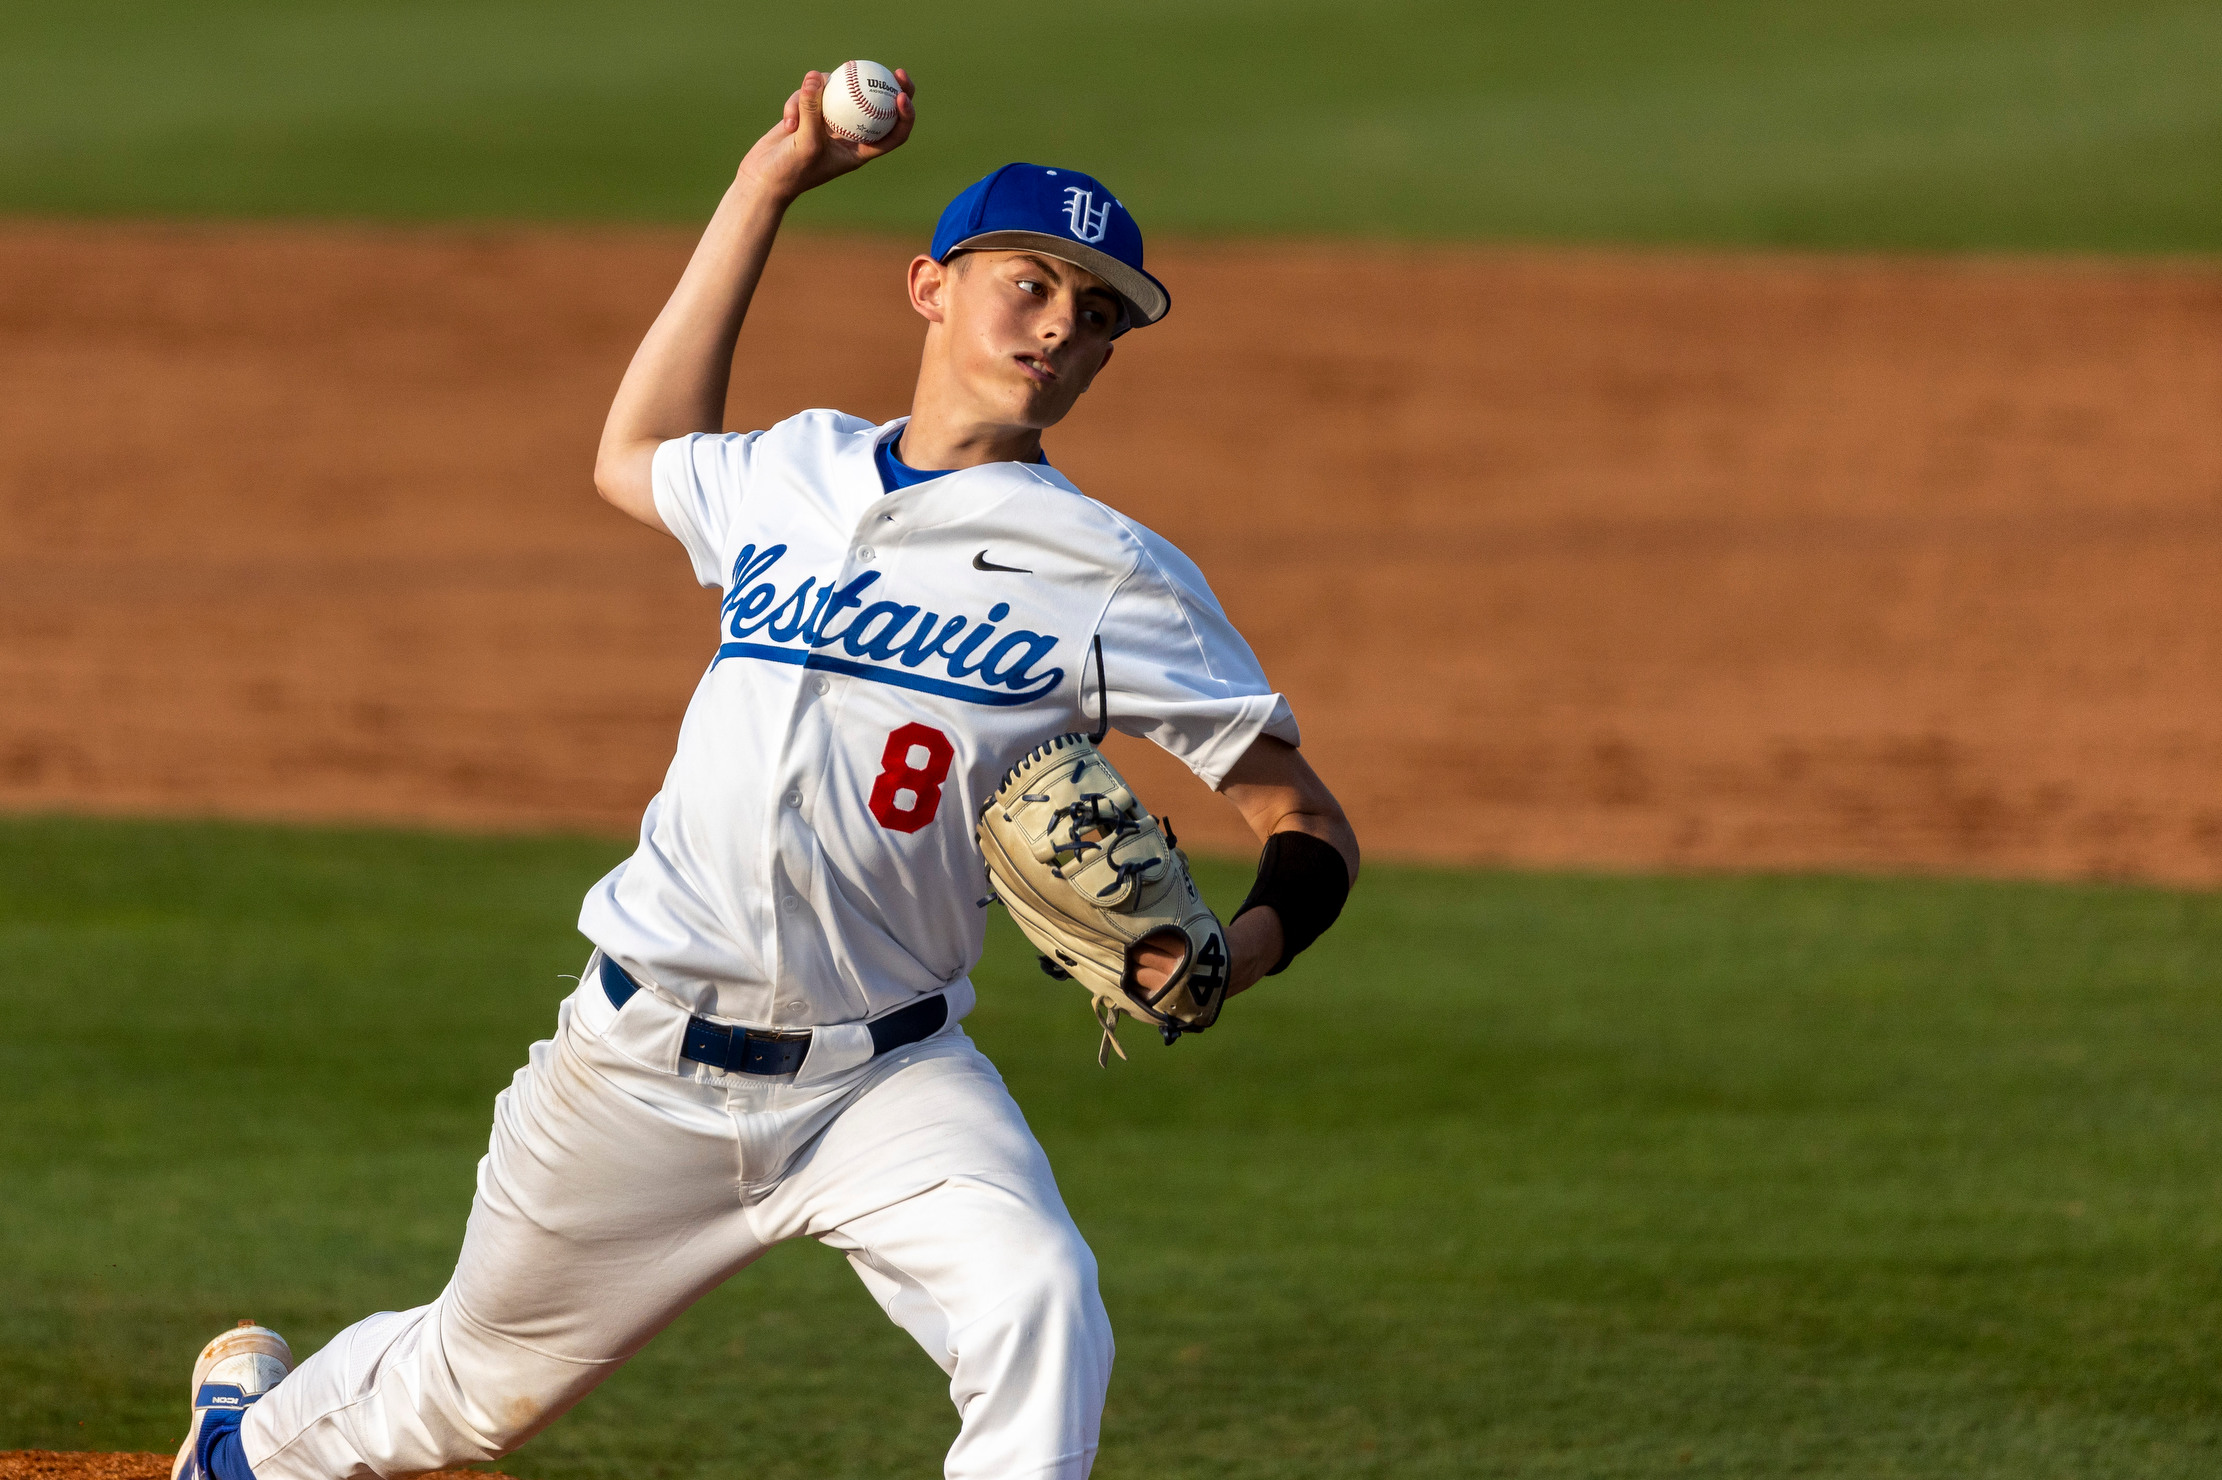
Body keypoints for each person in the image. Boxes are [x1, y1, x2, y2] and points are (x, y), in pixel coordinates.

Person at [173, 67, 1359, 1480]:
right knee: (464, 1402)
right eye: (1030, 281)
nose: (1059, 323)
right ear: (928, 287)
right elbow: (634, 454)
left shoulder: (1112, 575)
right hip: (639, 1066)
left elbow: (1304, 817)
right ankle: (238, 1446)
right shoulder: (787, 472)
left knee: (1042, 1304)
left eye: (1096, 313)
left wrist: (1236, 952)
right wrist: (766, 188)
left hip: (888, 1081)